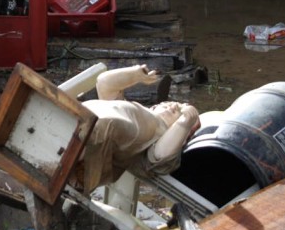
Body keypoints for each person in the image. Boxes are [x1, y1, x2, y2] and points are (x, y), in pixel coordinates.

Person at [76, 64, 201, 194]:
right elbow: (104, 82)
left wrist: (185, 122)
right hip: (75, 114)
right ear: (155, 106)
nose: (175, 105)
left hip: (90, 140)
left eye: (179, 111)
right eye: (173, 103)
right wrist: (135, 75)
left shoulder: (156, 140)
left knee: (101, 127)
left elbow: (160, 157)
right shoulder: (127, 105)